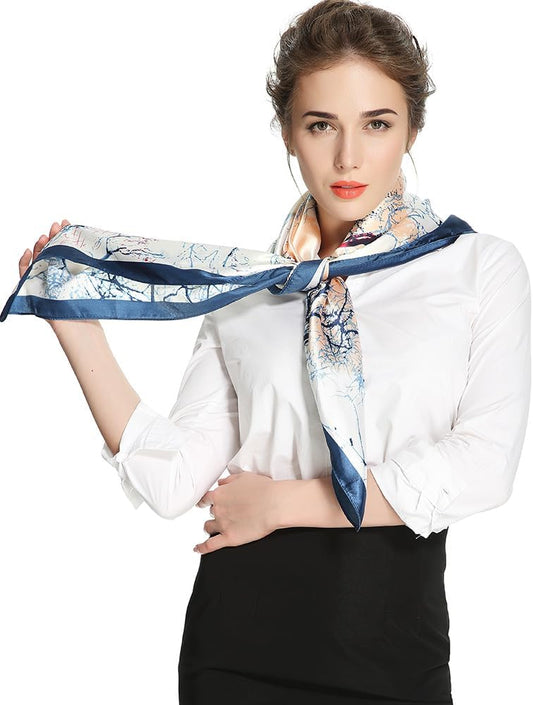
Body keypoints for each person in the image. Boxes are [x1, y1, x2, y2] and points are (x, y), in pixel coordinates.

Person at [14, 1, 530, 704]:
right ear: (288, 132)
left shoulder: (478, 268)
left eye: (376, 124)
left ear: (412, 128)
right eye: (321, 125)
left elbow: (484, 465)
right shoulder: (247, 290)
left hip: (392, 652)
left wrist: (284, 504)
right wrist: (75, 325)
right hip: (235, 651)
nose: (348, 158)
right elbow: (173, 480)